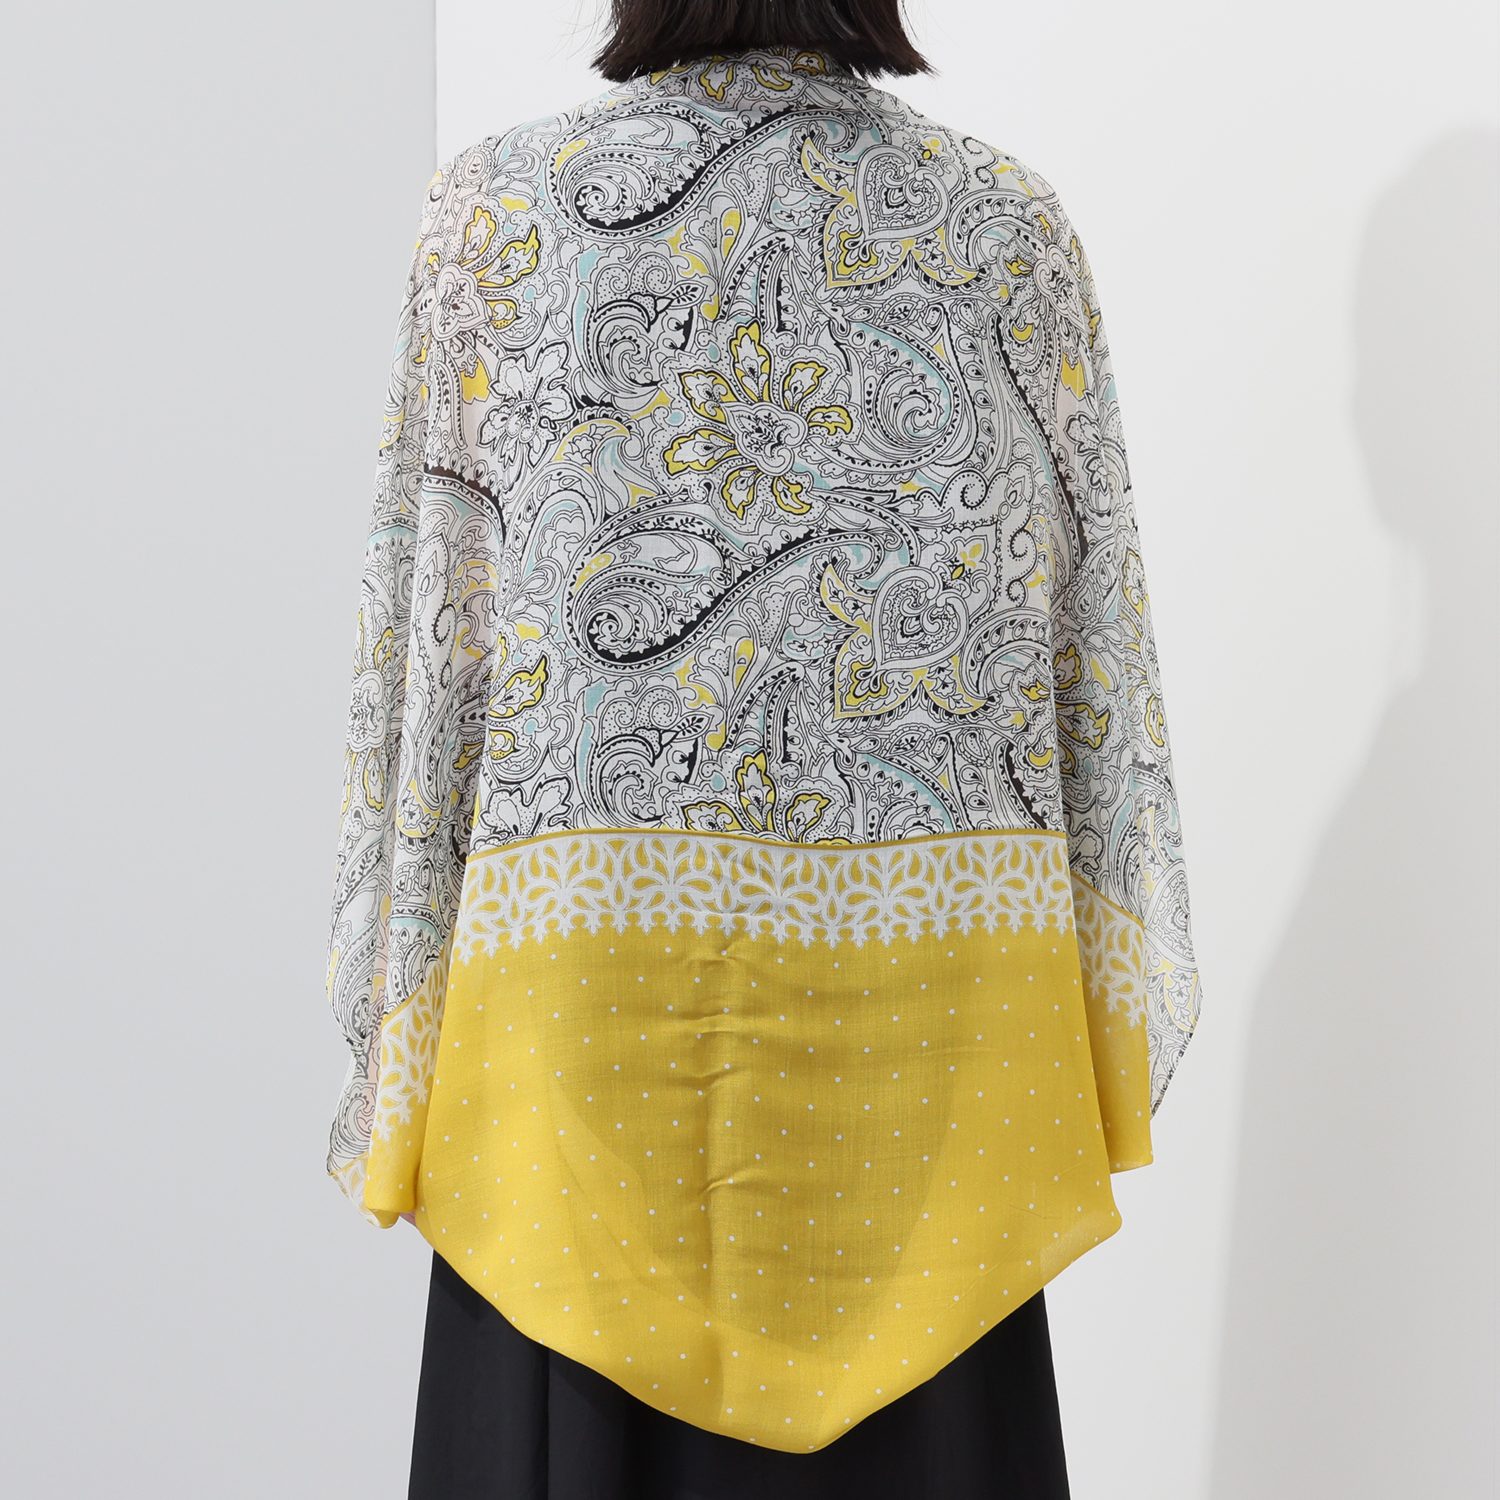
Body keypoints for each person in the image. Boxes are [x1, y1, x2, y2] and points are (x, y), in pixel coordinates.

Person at [322, 2, 1206, 1495]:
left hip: (573, 1096)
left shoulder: (496, 217)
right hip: (932, 1094)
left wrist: (400, 1031)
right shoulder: (1007, 233)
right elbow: (1089, 676)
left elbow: (430, 675)